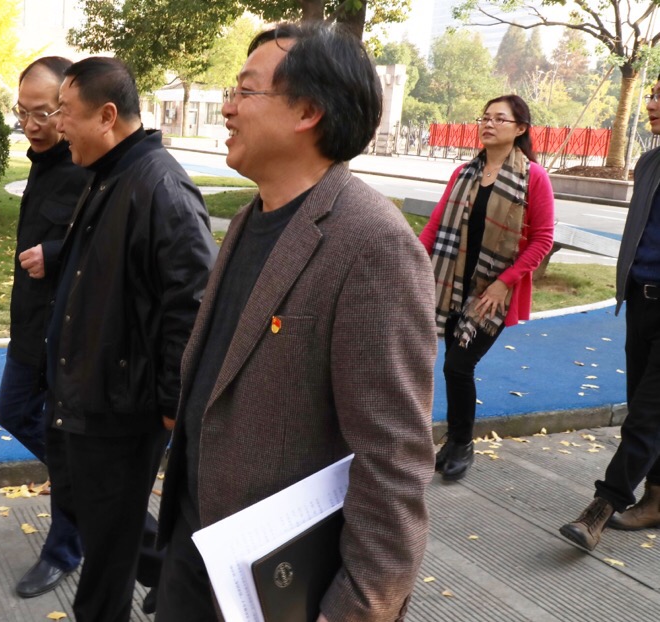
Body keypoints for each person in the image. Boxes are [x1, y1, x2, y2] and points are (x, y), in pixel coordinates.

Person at [156, 22, 437, 622]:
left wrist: (356, 608)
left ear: (308, 112)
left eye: (245, 91)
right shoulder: (247, 220)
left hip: (278, 584)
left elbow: (393, 457)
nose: (228, 107)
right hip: (199, 548)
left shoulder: (372, 244)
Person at [45, 56, 217, 622]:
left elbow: (191, 303)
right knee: (96, 527)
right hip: (86, 397)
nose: (58, 125)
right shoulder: (110, 173)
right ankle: (170, 575)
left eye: (66, 112)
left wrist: (171, 402)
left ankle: (173, 580)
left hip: (121, 411)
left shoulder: (160, 186)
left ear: (107, 116)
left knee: (104, 571)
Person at [421, 95, 555, 482]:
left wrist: (503, 284)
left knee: (458, 365)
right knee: (453, 368)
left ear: (520, 128)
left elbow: (542, 239)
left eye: (499, 118)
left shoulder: (533, 178)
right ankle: (453, 443)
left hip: (493, 292)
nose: (489, 124)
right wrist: (411, 262)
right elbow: (435, 226)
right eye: (485, 117)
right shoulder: (464, 174)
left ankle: (462, 444)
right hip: (452, 286)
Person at [0, 56, 88, 598]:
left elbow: (110, 247)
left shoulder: (88, 166)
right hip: (30, 326)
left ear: (68, 107)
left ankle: (64, 548)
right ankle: (105, 498)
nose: (30, 124)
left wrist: (56, 253)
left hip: (68, 335)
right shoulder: (43, 161)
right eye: (22, 111)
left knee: (63, 437)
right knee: (14, 412)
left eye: (43, 113)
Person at [559, 77, 660, 551]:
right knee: (646, 408)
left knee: (646, 416)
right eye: (653, 94)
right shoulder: (648, 163)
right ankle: (656, 500)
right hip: (642, 300)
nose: (652, 103)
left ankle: (601, 508)